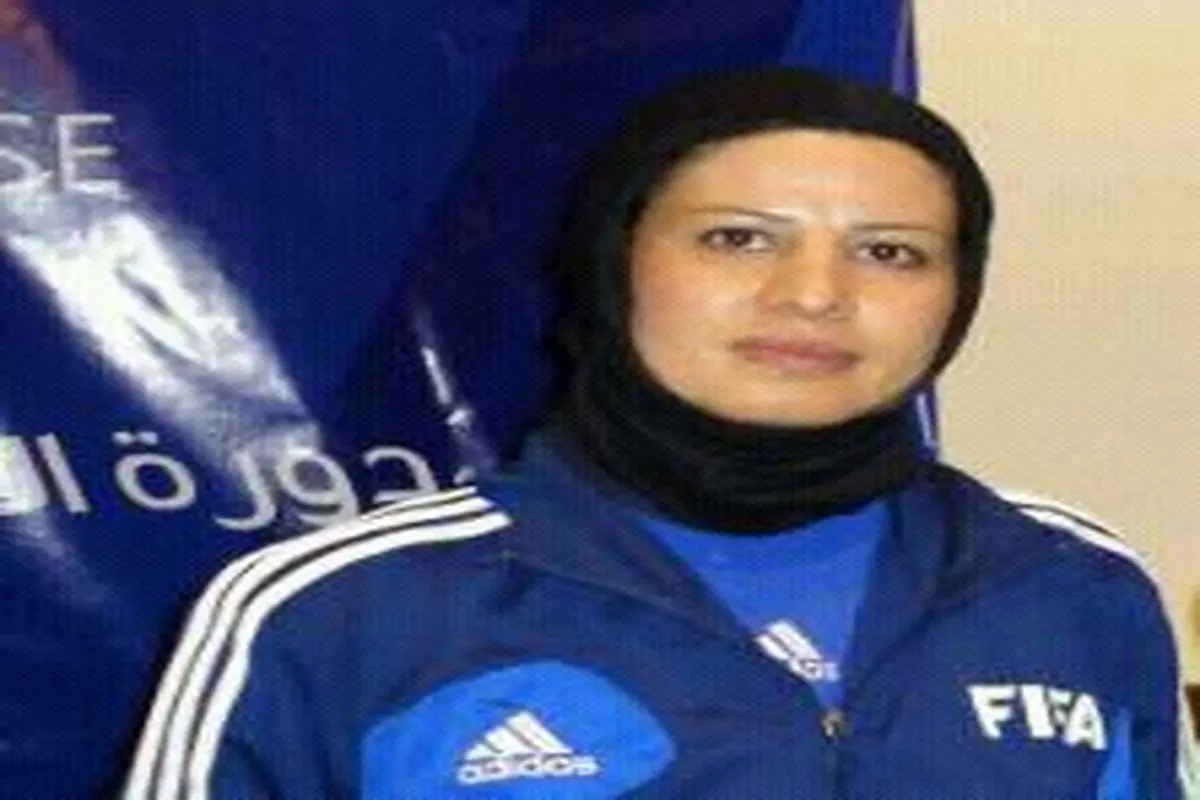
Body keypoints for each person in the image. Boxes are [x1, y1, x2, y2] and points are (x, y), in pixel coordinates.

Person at [124, 67, 1198, 799]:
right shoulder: (338, 613)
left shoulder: (1069, 585)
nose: (813, 293)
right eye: (738, 238)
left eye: (890, 252)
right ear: (614, 263)